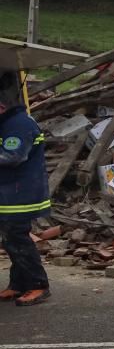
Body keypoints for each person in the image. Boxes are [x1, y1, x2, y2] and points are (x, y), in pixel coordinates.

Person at [0, 74, 51, 306]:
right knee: (12, 240)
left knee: (18, 239)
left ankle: (38, 285)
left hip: (21, 195)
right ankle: (18, 284)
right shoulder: (8, 123)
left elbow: (13, 156)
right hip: (11, 193)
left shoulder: (18, 125)